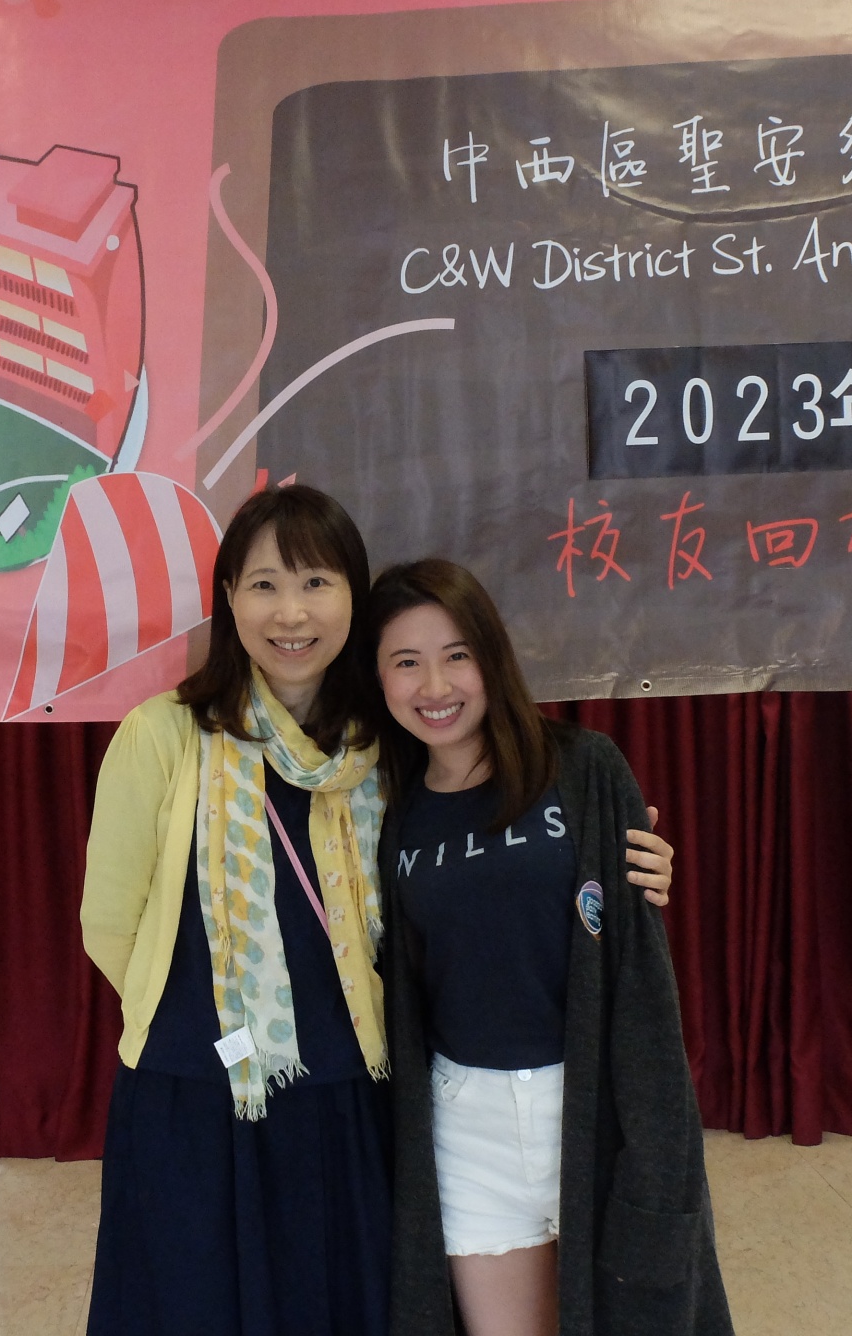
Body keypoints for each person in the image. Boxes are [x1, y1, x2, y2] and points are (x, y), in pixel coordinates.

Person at [367, 558, 729, 1336]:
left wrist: (659, 1146)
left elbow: (639, 971)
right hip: (466, 1125)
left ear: (492, 657)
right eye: (406, 662)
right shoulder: (384, 811)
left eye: (456, 655)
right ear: (379, 679)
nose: (436, 685)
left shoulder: (584, 767)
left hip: (591, 1103)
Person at [81, 484, 397, 1336]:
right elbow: (109, 922)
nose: (291, 612)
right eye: (264, 585)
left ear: (355, 595)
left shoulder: (383, 745)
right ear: (228, 599)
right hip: (195, 1095)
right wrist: (206, 1018)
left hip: (350, 1089)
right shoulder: (162, 733)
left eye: (317, 582)